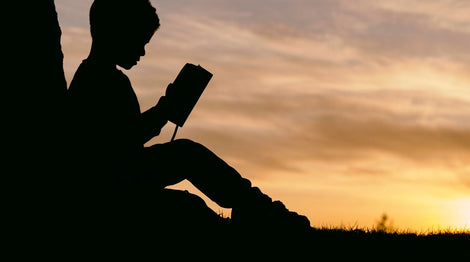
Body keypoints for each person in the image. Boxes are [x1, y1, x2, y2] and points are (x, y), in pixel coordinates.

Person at [67, 0, 310, 233]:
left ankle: (257, 210)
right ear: (116, 32)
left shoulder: (103, 77)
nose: (142, 52)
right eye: (139, 41)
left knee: (187, 160)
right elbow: (119, 144)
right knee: (188, 185)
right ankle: (260, 211)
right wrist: (164, 110)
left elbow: (126, 136)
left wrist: (164, 110)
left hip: (121, 178)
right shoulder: (96, 81)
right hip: (112, 186)